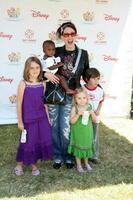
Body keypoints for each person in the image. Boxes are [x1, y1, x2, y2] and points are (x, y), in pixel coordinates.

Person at [44, 22, 90, 169]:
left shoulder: (83, 54)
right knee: (54, 126)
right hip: (54, 94)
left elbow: (87, 74)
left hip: (71, 95)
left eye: (72, 34)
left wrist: (95, 88)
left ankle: (69, 155)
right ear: (62, 36)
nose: (69, 37)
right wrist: (46, 73)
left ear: (76, 35)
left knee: (65, 127)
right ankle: (57, 155)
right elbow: (40, 67)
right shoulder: (54, 51)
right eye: (66, 34)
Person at [15, 57, 53, 176]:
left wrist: (48, 118)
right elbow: (19, 103)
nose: (35, 70)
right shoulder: (23, 84)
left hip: (41, 118)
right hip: (28, 119)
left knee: (38, 141)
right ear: (27, 70)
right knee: (27, 142)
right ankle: (19, 164)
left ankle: (34, 165)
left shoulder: (42, 84)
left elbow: (44, 103)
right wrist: (20, 121)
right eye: (32, 68)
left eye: (37, 68)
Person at [68, 88, 96, 173]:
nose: (82, 100)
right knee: (78, 148)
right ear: (75, 99)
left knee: (86, 146)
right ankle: (79, 165)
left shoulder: (89, 107)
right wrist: (78, 114)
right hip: (78, 132)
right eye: (79, 98)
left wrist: (92, 113)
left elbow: (94, 120)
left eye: (84, 98)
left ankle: (86, 163)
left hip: (87, 132)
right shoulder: (74, 108)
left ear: (87, 99)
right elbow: (71, 121)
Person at [82, 68, 104, 164]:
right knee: (84, 136)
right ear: (86, 79)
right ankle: (83, 154)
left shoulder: (100, 90)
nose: (96, 81)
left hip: (95, 118)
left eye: (98, 78)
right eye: (94, 79)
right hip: (84, 117)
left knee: (94, 136)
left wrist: (98, 110)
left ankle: (94, 155)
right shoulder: (82, 89)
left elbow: (101, 101)